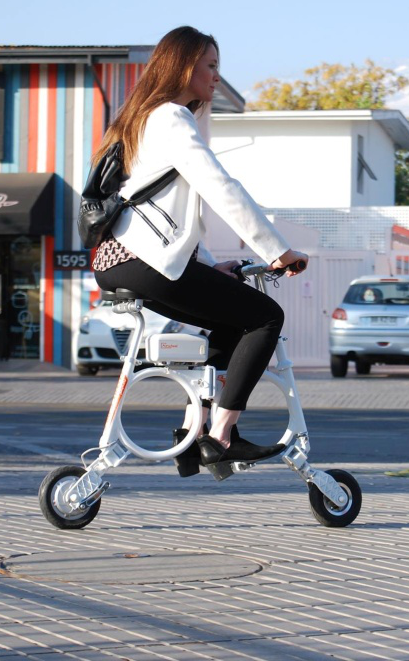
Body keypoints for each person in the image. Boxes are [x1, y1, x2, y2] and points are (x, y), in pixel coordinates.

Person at [90, 26, 308, 476]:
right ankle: (222, 438)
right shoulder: (170, 117)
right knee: (266, 318)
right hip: (143, 260)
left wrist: (210, 265)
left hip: (120, 259)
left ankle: (194, 432)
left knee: (231, 324)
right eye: (210, 65)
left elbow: (167, 212)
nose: (216, 76)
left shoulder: (141, 118)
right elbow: (219, 186)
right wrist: (277, 250)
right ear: (184, 66)